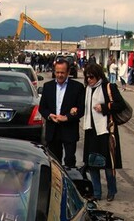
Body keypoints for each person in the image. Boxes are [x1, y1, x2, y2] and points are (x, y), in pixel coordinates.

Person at [82, 63, 125, 202]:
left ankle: (111, 190)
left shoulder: (109, 87)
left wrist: (104, 107)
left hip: (106, 130)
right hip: (91, 130)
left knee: (107, 164)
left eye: (91, 77)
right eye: (87, 77)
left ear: (98, 75)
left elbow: (120, 104)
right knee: (92, 163)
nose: (89, 80)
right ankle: (97, 192)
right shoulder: (87, 89)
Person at [38, 57, 85, 168]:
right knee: (54, 162)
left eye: (62, 73)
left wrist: (67, 117)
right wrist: (49, 116)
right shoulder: (48, 87)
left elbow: (81, 109)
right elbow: (42, 108)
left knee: (69, 160)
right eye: (57, 72)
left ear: (68, 72)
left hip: (69, 130)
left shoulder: (77, 87)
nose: (60, 75)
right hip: (53, 130)